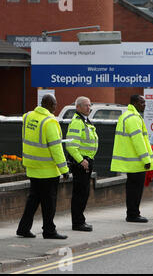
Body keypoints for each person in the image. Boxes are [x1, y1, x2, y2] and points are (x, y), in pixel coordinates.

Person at [16, 94, 69, 239]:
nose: (56, 107)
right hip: (48, 170)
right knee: (49, 203)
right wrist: (64, 169)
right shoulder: (49, 122)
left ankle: (23, 228)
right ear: (48, 104)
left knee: (33, 200)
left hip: (32, 167)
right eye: (54, 104)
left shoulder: (28, 117)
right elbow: (56, 148)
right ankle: (49, 231)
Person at [111, 95, 153, 223]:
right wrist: (146, 160)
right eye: (142, 102)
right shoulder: (133, 118)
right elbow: (138, 141)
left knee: (132, 189)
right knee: (135, 190)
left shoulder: (126, 116)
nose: (145, 105)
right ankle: (133, 214)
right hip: (136, 162)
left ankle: (132, 213)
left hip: (131, 161)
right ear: (135, 103)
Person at [65, 96, 98, 232]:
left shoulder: (85, 121)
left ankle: (80, 221)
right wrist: (81, 160)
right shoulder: (77, 122)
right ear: (77, 107)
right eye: (85, 105)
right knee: (80, 194)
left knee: (84, 193)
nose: (88, 108)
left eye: (89, 105)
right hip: (81, 163)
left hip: (87, 161)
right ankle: (78, 223)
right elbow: (71, 146)